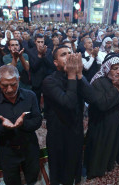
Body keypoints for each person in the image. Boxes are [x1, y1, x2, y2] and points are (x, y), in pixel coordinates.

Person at [42, 45, 95, 185]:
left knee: (73, 161)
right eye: (64, 54)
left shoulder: (76, 77)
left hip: (75, 128)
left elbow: (92, 98)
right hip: (57, 131)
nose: (69, 57)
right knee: (58, 164)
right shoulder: (49, 81)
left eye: (70, 53)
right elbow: (69, 103)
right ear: (55, 62)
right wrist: (72, 75)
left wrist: (79, 74)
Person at [0, 65, 42, 185]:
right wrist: (3, 127)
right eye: (4, 85)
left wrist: (22, 124)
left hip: (29, 147)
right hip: (7, 150)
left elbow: (37, 120)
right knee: (11, 181)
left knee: (32, 177)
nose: (10, 89)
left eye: (13, 84)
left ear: (19, 79)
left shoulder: (30, 96)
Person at [84, 54, 119, 179]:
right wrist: (117, 88)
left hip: (115, 122)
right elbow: (102, 104)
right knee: (98, 147)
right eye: (115, 68)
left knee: (110, 145)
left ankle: (107, 165)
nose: (118, 71)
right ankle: (94, 171)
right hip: (100, 123)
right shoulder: (98, 82)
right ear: (106, 68)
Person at [26, 34, 55, 107]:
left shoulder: (48, 51)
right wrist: (39, 55)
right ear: (35, 42)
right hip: (36, 80)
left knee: (48, 101)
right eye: (38, 42)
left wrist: (44, 55)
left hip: (47, 79)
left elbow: (51, 65)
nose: (40, 44)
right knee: (36, 101)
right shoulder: (30, 52)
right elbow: (33, 67)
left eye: (42, 42)